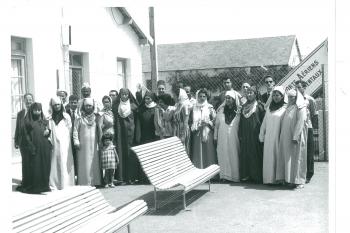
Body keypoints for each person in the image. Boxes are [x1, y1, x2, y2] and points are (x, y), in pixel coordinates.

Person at [278, 89, 308, 189]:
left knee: (298, 158)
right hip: (286, 137)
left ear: (297, 97)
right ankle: (290, 180)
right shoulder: (288, 107)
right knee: (289, 159)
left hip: (296, 137)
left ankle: (299, 181)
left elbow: (301, 122)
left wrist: (295, 136)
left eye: (293, 97)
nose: (290, 99)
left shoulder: (301, 107)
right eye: (289, 97)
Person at [259, 86, 287, 184]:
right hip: (269, 139)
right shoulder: (269, 108)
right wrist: (261, 135)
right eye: (274, 95)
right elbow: (264, 123)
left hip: (279, 138)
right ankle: (269, 179)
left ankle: (279, 179)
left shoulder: (285, 108)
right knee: (269, 157)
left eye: (278, 95)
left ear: (282, 96)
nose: (275, 97)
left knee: (278, 157)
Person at [112, 88, 140, 184]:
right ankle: (121, 177)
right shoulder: (115, 106)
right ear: (120, 95)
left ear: (129, 95)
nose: (124, 96)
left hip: (131, 133)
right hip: (119, 133)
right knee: (120, 153)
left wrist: (137, 134)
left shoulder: (134, 106)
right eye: (122, 94)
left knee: (130, 154)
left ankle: (131, 177)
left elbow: (137, 121)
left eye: (126, 94)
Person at [23, 102, 52, 194]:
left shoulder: (43, 121)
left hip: (44, 147)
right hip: (34, 147)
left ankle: (44, 186)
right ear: (32, 110)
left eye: (39, 110)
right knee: (35, 167)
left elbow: (47, 132)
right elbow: (25, 135)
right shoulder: (28, 122)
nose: (37, 112)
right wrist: (30, 146)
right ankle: (35, 187)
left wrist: (48, 131)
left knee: (44, 166)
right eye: (35, 110)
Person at [47, 97, 75, 190]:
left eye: (58, 104)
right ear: (52, 106)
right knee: (55, 161)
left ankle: (66, 183)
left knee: (64, 160)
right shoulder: (49, 118)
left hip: (65, 142)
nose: (57, 106)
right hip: (54, 142)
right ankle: (55, 183)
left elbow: (70, 130)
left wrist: (65, 140)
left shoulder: (66, 116)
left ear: (61, 105)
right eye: (55, 105)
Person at [238, 86, 265, 183]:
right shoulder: (243, 106)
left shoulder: (260, 106)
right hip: (245, 134)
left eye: (251, 93)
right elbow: (240, 122)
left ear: (255, 94)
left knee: (255, 153)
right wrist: (240, 134)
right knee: (245, 153)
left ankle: (256, 176)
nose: (249, 94)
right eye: (247, 93)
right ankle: (246, 175)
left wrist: (262, 134)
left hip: (255, 134)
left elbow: (263, 121)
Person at [73, 98, 102, 186]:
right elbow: (75, 130)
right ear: (83, 106)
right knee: (84, 163)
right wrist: (76, 141)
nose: (88, 107)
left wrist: (100, 142)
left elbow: (99, 130)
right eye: (86, 106)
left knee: (94, 163)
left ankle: (95, 182)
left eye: (90, 106)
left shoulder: (96, 117)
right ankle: (84, 182)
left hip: (94, 144)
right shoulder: (79, 117)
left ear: (93, 106)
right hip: (83, 145)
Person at [214, 90, 241, 182]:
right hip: (222, 137)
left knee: (233, 154)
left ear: (234, 99)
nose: (227, 100)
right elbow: (217, 125)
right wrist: (215, 137)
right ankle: (224, 176)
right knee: (223, 154)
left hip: (234, 138)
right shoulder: (221, 110)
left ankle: (235, 176)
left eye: (229, 98)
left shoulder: (239, 111)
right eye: (226, 98)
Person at [295, 80, 317, 183]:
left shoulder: (310, 99)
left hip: (308, 128)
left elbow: (314, 114)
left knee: (309, 151)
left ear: (304, 87)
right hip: (297, 128)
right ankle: (299, 173)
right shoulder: (294, 99)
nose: (297, 90)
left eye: (299, 87)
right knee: (299, 151)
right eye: (296, 87)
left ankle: (309, 174)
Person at [189, 88, 217, 168]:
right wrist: (196, 124)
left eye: (204, 96)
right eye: (200, 96)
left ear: (206, 97)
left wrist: (208, 122)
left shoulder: (210, 107)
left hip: (208, 132)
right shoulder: (193, 108)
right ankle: (200, 170)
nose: (202, 98)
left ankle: (211, 173)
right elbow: (190, 121)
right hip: (197, 132)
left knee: (209, 151)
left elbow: (215, 120)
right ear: (197, 97)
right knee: (198, 152)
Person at [14, 93, 34, 192]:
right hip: (23, 142)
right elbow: (17, 128)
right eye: (26, 100)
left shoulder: (36, 112)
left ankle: (32, 182)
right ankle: (25, 181)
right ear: (24, 101)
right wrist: (16, 140)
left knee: (32, 162)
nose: (28, 101)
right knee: (25, 162)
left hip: (32, 142)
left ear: (33, 100)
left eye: (30, 99)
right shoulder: (20, 113)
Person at [173, 88, 191, 154]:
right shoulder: (177, 105)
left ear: (179, 96)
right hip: (177, 130)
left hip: (182, 130)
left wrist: (183, 135)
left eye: (174, 95)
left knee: (183, 149)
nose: (173, 97)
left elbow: (185, 121)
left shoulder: (184, 106)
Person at [66, 94, 79, 179]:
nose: (73, 104)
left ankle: (79, 175)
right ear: (69, 103)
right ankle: (71, 176)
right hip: (68, 138)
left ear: (78, 103)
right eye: (71, 103)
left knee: (78, 157)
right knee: (70, 157)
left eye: (75, 103)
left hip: (78, 138)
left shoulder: (81, 112)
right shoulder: (65, 113)